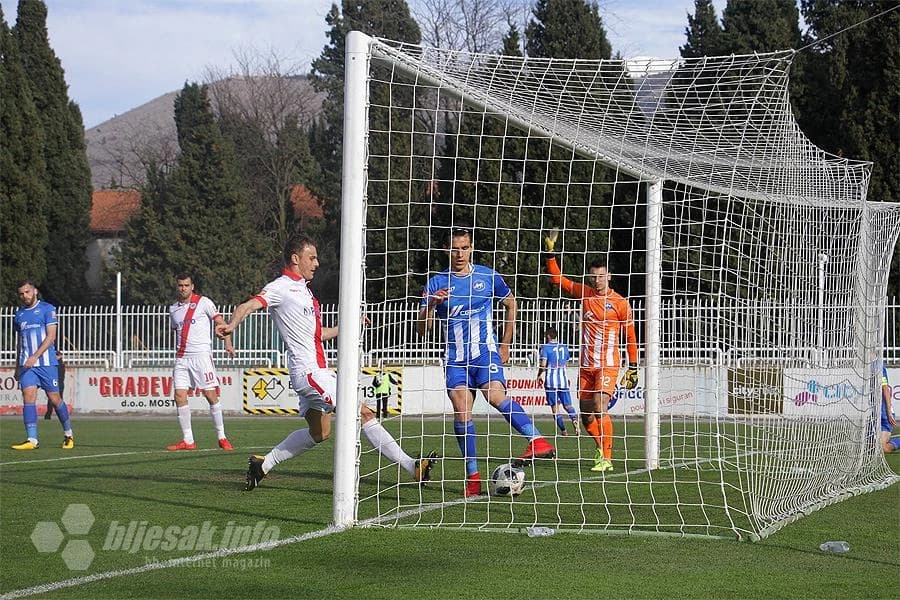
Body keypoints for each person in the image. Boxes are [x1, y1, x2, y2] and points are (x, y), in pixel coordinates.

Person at [216, 233, 437, 490]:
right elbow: (249, 305)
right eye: (312, 257)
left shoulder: (304, 292)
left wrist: (346, 326)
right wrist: (232, 324)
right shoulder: (281, 287)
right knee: (362, 412)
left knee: (320, 433)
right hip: (310, 374)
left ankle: (263, 464)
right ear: (295, 259)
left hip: (316, 372)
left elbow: (317, 335)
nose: (317, 262)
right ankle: (412, 466)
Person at [418, 228, 555, 498]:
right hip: (456, 359)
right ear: (446, 250)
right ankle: (473, 478)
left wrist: (505, 344)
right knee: (462, 412)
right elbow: (423, 330)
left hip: (485, 352)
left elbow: (511, 304)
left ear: (471, 248)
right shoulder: (436, 283)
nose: (460, 253)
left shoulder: (487, 276)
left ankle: (537, 440)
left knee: (494, 395)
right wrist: (432, 305)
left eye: (464, 248)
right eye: (455, 248)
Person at [543, 229, 638, 472]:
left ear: (609, 277)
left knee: (599, 407)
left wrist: (634, 366)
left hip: (607, 364)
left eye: (601, 276)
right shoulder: (584, 294)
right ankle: (600, 446)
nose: (596, 280)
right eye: (593, 276)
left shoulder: (620, 304)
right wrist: (550, 253)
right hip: (586, 366)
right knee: (586, 416)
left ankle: (607, 458)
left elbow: (630, 337)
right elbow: (558, 280)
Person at [166, 273, 235, 451]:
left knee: (210, 395)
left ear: (192, 286)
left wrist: (228, 343)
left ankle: (222, 437)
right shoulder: (173, 309)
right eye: (180, 285)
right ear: (177, 286)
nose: (183, 288)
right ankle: (188, 440)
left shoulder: (204, 302)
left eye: (186, 285)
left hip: (201, 357)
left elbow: (221, 323)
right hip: (181, 358)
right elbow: (176, 332)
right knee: (179, 396)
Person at [11, 280, 74, 450]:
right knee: (28, 397)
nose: (25, 296)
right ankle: (32, 440)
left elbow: (51, 337)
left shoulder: (47, 309)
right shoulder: (19, 315)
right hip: (27, 366)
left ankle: (68, 434)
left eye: (27, 292)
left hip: (46, 363)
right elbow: (20, 342)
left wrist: (35, 356)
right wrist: (18, 366)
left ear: (35, 291)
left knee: (54, 399)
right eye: (21, 294)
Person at [536, 327, 579, 436]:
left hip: (551, 382)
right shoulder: (564, 347)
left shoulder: (545, 347)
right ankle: (574, 420)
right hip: (563, 381)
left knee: (555, 408)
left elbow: (543, 365)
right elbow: (566, 363)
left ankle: (564, 431)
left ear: (548, 336)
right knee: (568, 406)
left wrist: (539, 374)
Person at [881, 363, 899, 453]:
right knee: (869, 449)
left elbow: (886, 390)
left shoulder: (878, 367)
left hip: (883, 416)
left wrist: (889, 413)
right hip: (873, 417)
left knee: (883, 448)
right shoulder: (867, 368)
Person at [44, 351, 65, 420]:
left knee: (54, 400)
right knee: (55, 399)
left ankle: (51, 414)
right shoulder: (59, 363)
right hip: (57, 382)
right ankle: (54, 414)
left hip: (57, 382)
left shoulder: (57, 363)